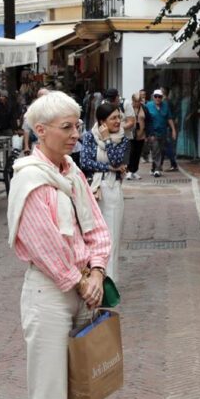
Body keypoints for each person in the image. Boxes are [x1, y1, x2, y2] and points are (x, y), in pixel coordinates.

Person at [6, 90, 111, 399]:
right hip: (49, 294)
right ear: (40, 130)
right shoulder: (31, 179)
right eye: (67, 127)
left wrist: (98, 270)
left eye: (77, 126)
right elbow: (44, 244)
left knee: (83, 393)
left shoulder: (71, 172)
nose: (76, 134)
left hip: (83, 286)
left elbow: (97, 227)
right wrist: (81, 281)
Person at [79, 102, 129, 282]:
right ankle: (91, 280)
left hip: (113, 191)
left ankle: (110, 283)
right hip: (94, 191)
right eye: (113, 118)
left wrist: (108, 139)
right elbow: (85, 162)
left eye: (119, 117)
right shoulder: (89, 137)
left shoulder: (122, 139)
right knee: (92, 238)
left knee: (112, 238)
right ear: (102, 121)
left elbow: (117, 161)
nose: (118, 121)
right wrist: (108, 167)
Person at [145, 88, 175, 177]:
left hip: (163, 132)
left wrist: (173, 130)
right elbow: (145, 120)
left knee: (160, 151)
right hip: (152, 133)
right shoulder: (148, 105)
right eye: (156, 96)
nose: (158, 98)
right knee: (155, 150)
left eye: (159, 97)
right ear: (153, 97)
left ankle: (154, 168)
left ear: (162, 98)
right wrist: (146, 133)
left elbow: (169, 118)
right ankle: (157, 170)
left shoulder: (165, 106)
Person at [124, 92, 147, 180]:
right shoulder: (128, 108)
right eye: (135, 101)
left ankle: (134, 171)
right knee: (131, 152)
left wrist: (147, 132)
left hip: (141, 134)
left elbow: (147, 120)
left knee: (137, 153)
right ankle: (129, 170)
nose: (137, 103)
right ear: (132, 100)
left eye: (139, 101)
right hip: (130, 134)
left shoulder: (144, 108)